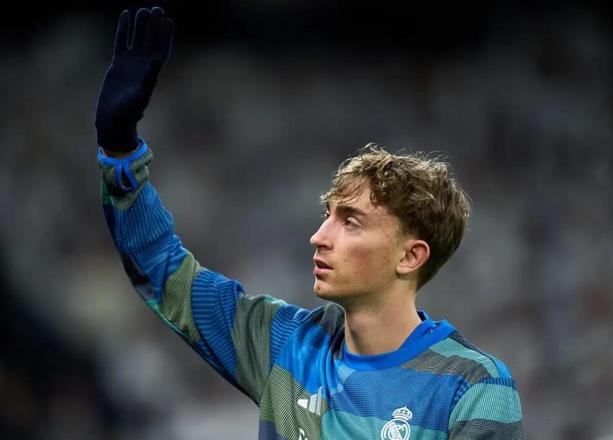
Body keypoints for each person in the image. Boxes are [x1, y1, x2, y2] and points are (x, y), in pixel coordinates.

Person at [95, 7, 523, 439]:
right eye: (327, 216)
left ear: (410, 256)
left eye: (351, 222)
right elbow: (164, 271)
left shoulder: (475, 388)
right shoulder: (285, 345)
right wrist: (119, 151)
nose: (319, 237)